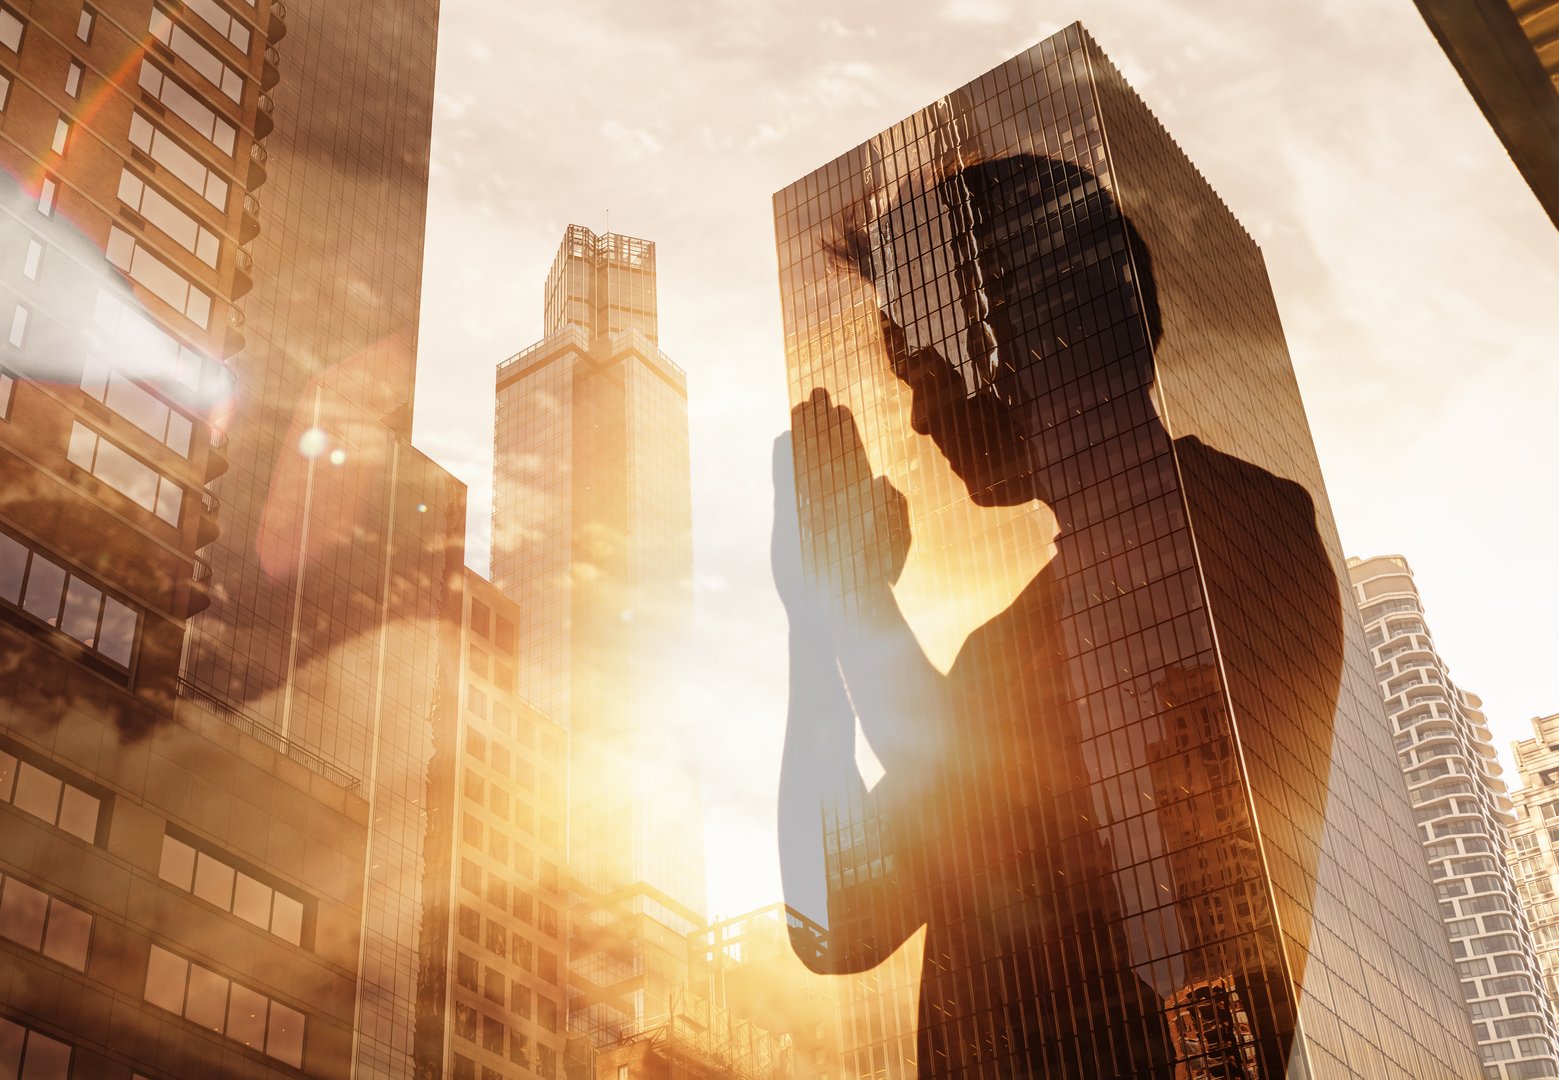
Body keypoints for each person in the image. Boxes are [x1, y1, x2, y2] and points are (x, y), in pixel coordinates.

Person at [774, 149, 1343, 1077]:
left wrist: (850, 602)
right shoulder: (1001, 654)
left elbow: (999, 821)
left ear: (1017, 345)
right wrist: (822, 615)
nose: (919, 420)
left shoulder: (1240, 524)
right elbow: (833, 920)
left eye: (923, 371)